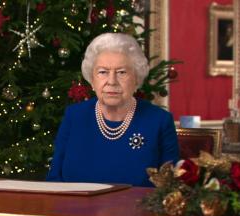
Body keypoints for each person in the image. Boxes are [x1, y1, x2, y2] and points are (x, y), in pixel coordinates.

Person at [46, 32, 179, 187]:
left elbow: (170, 188)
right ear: (92, 79)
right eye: (103, 72)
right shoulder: (74, 116)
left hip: (136, 211)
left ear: (136, 78)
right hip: (75, 210)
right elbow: (54, 179)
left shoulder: (159, 121)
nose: (112, 81)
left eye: (121, 72)